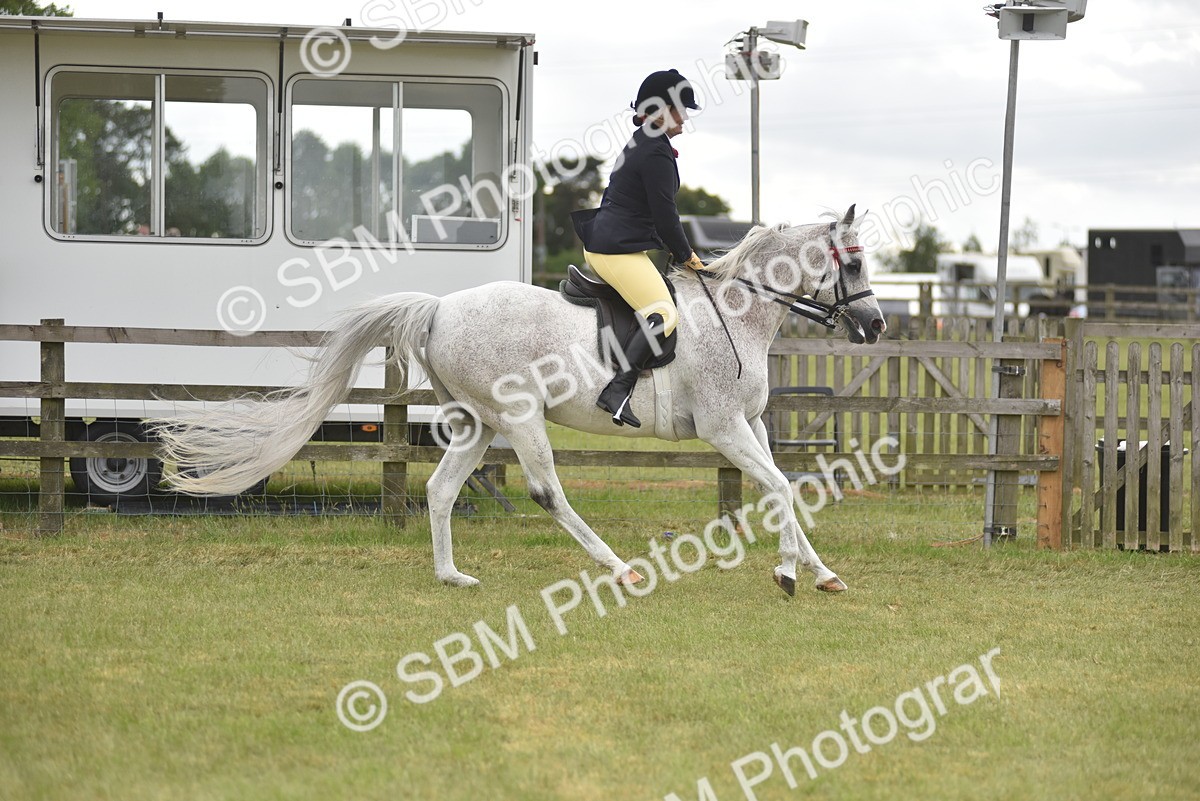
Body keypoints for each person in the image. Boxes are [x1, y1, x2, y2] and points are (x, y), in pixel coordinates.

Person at [571, 69, 707, 428]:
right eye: (681, 110)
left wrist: (679, 252)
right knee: (663, 312)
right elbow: (666, 216)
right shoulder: (655, 151)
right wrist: (688, 256)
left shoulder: (645, 141)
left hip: (620, 243)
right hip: (614, 249)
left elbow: (647, 213)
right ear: (661, 110)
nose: (685, 118)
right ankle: (617, 390)